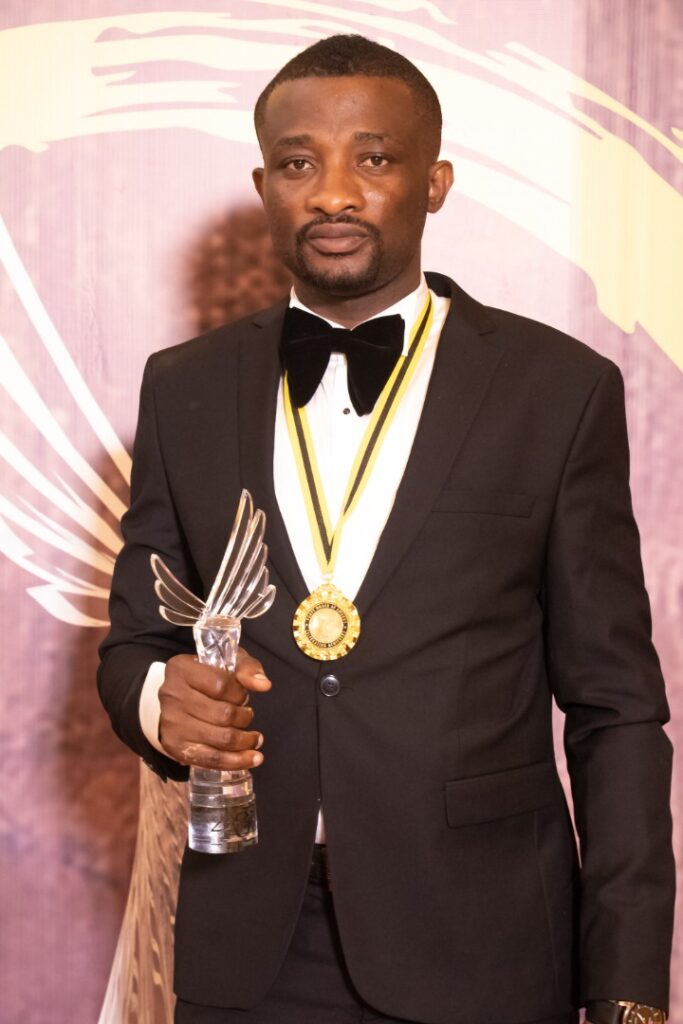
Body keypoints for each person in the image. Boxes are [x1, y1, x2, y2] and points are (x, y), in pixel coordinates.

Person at [98, 34, 675, 1024]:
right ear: (263, 187)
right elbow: (134, 644)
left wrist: (625, 983)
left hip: (485, 945)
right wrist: (160, 701)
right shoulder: (182, 387)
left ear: (433, 182)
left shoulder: (556, 391)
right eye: (296, 163)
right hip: (249, 952)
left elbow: (614, 709)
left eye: (372, 157)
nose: (331, 192)